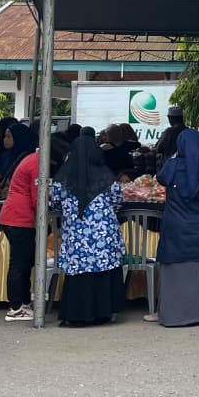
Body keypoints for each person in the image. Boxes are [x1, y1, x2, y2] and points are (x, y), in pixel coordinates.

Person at [51, 136, 125, 327]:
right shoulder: (107, 177)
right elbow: (118, 201)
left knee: (79, 275)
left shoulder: (62, 178)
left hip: (77, 238)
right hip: (104, 236)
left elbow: (54, 202)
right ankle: (103, 313)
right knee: (103, 272)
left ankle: (77, 316)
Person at [153, 129, 199, 327]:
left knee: (175, 271)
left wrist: (177, 159)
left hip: (175, 228)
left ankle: (172, 314)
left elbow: (160, 178)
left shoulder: (171, 167)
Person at [0, 133, 69, 322]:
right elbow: (38, 197)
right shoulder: (38, 166)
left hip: (15, 217)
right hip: (19, 219)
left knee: (24, 260)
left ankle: (22, 302)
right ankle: (15, 307)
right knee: (19, 264)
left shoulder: (32, 159)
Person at [0, 123, 38, 187]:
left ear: (18, 137)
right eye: (5, 136)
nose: (5, 140)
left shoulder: (27, 157)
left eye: (8, 137)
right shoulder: (6, 155)